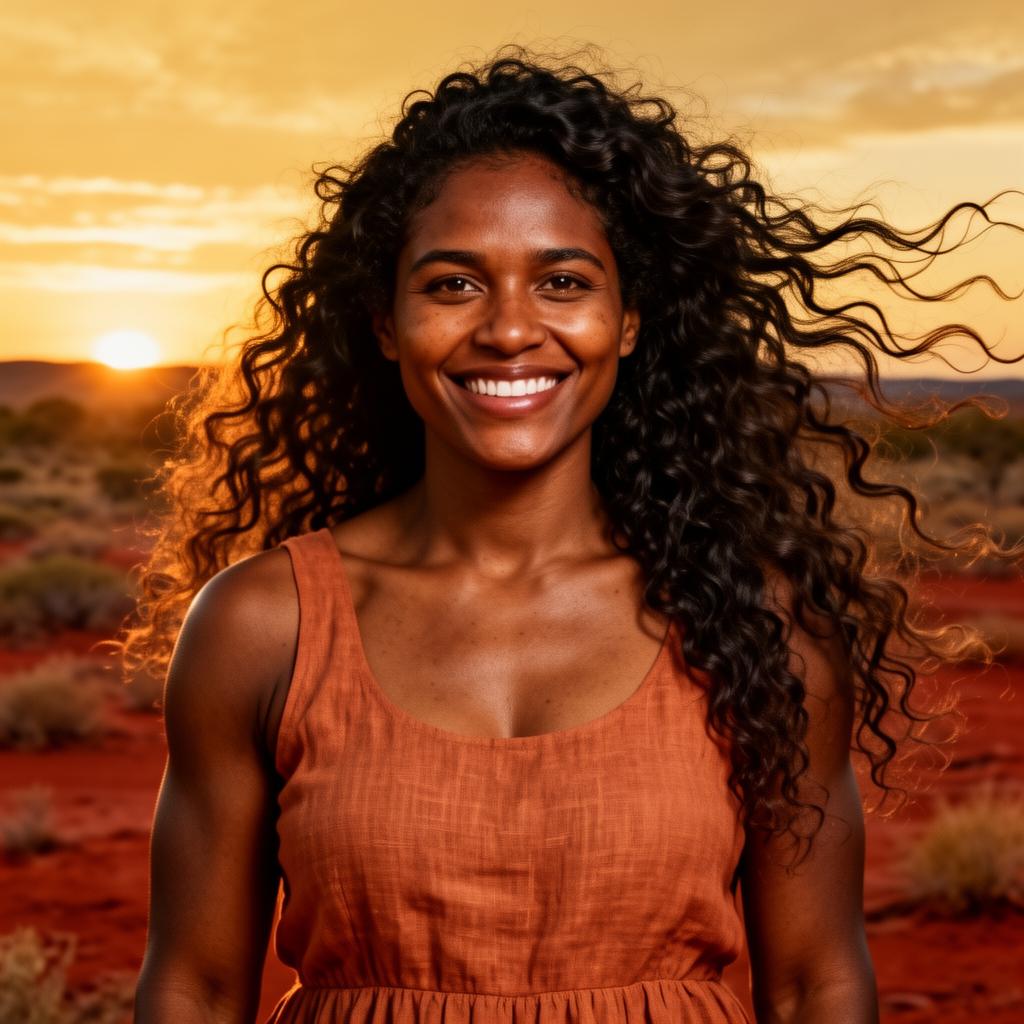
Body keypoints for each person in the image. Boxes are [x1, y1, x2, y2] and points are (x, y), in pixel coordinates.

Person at [126, 48, 1019, 1023]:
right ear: (383, 322)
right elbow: (197, 987)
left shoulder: (756, 624)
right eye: (453, 285)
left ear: (628, 320)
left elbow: (814, 983)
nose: (510, 330)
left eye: (562, 281)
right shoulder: (264, 627)